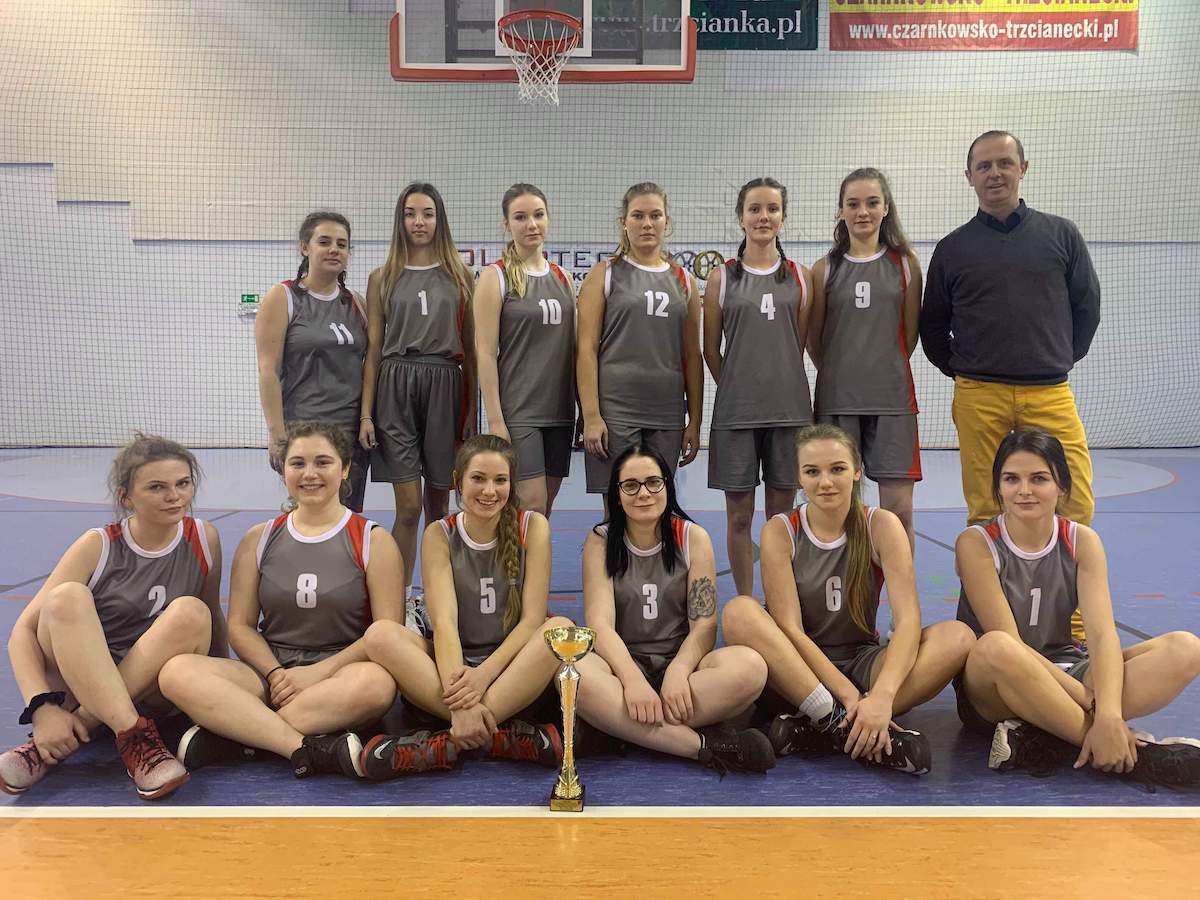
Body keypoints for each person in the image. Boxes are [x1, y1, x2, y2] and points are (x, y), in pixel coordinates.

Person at [920, 131, 1101, 642]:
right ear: (969, 176)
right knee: (985, 510)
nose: (994, 173)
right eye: (983, 166)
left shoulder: (1061, 235)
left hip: (1049, 391)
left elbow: (1087, 307)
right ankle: (990, 628)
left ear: (1024, 167)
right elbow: (932, 327)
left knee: (1076, 503)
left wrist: (1056, 359)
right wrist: (968, 372)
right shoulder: (953, 249)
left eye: (1004, 163)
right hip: (979, 394)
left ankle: (1071, 629)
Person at [722, 424, 975, 775]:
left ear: (857, 471)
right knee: (739, 611)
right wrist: (847, 697)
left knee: (958, 637)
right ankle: (840, 722)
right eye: (812, 472)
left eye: (837, 469)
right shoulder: (780, 530)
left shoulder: (881, 525)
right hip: (797, 670)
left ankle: (829, 728)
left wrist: (882, 697)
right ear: (799, 477)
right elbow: (790, 630)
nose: (825, 482)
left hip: (862, 661)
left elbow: (908, 621)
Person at [954, 428, 1200, 787]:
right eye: (1011, 479)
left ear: (1062, 486)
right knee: (996, 646)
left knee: (1185, 648)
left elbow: (1101, 634)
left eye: (1039, 478)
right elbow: (1009, 641)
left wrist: (1109, 713)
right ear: (998, 487)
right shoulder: (976, 543)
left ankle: (1049, 735)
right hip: (995, 686)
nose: (1024, 490)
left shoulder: (1081, 540)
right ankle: (1142, 758)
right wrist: (1092, 705)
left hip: (1067, 668)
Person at [158, 422, 401, 780]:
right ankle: (293, 740)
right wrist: (275, 674)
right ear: (284, 470)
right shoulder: (259, 538)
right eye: (297, 463)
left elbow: (386, 634)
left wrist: (316, 673)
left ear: (345, 469)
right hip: (269, 672)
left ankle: (236, 734)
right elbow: (240, 627)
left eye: (323, 462)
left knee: (377, 684)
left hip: (340, 672)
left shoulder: (372, 540)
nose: (309, 474)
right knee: (176, 672)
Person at [0, 434, 224, 799]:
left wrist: (221, 688)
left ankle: (70, 734)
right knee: (66, 598)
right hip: (85, 678)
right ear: (126, 497)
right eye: (157, 487)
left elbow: (213, 617)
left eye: (183, 483)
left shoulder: (204, 538)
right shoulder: (98, 545)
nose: (175, 496)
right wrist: (41, 709)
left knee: (193, 612)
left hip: (154, 690)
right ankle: (132, 735)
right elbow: (23, 632)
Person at [361, 435, 573, 780]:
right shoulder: (439, 534)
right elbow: (444, 623)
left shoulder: (533, 527)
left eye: (500, 480)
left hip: (511, 670)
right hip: (451, 670)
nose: (489, 490)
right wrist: (462, 695)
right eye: (478, 478)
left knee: (560, 629)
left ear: (511, 484)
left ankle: (449, 742)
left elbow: (532, 620)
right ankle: (491, 733)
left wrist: (483, 675)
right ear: (458, 482)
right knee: (380, 635)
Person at [572, 444, 776, 774]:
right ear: (617, 495)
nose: (644, 493)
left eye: (653, 482)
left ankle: (616, 728)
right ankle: (700, 746)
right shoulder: (601, 541)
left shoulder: (693, 538)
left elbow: (704, 625)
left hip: (681, 670)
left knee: (751, 667)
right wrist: (633, 682)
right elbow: (600, 626)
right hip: (620, 670)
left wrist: (679, 670)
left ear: (667, 485)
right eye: (630, 485)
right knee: (573, 672)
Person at [360, 182, 478, 611]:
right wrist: (366, 414)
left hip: (446, 382)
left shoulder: (461, 276)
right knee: (408, 507)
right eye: (410, 213)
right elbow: (373, 350)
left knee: (439, 504)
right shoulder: (383, 277)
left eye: (427, 213)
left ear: (439, 219)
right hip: (395, 386)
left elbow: (474, 349)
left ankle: (436, 598)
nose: (419, 222)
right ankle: (397, 601)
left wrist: (472, 410)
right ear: (400, 220)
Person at [702, 177, 811, 596]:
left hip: (789, 414)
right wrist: (737, 386)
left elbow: (799, 343)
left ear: (783, 217)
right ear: (740, 217)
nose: (763, 217)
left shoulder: (801, 278)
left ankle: (779, 601)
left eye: (772, 209)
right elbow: (710, 349)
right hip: (737, 415)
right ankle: (746, 602)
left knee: (780, 518)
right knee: (738, 517)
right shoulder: (721, 279)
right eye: (754, 209)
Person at [809, 168, 922, 549]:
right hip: (838, 402)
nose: (863, 212)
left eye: (872, 202)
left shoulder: (905, 264)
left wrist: (879, 367)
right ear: (840, 210)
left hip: (892, 402)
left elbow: (908, 335)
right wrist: (845, 372)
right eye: (853, 203)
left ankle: (899, 585)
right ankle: (847, 584)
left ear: (886, 208)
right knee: (838, 510)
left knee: (899, 513)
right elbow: (815, 340)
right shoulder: (824, 269)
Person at [577, 182, 703, 501]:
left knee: (658, 501)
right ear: (624, 222)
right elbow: (586, 349)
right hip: (616, 408)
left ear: (666, 221)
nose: (647, 223)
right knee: (618, 503)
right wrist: (591, 416)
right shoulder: (605, 273)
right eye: (638, 216)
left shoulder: (685, 281)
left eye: (655, 215)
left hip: (667, 410)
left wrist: (695, 420)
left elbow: (692, 354)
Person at [256, 211, 370, 511]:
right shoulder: (283, 297)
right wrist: (276, 433)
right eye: (324, 242)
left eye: (342, 244)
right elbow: (268, 371)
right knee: (309, 514)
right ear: (305, 247)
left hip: (350, 430)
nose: (334, 249)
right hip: (304, 428)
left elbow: (368, 367)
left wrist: (366, 419)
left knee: (347, 514)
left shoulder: (357, 303)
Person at [475, 183, 576, 517]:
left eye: (538, 215)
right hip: (520, 411)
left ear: (548, 218)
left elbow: (575, 349)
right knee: (530, 503)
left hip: (560, 410)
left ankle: (532, 557)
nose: (531, 224)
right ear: (507, 224)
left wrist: (586, 411)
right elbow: (485, 352)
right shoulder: (495, 277)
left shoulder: (563, 278)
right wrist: (495, 419)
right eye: (520, 217)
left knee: (544, 507)